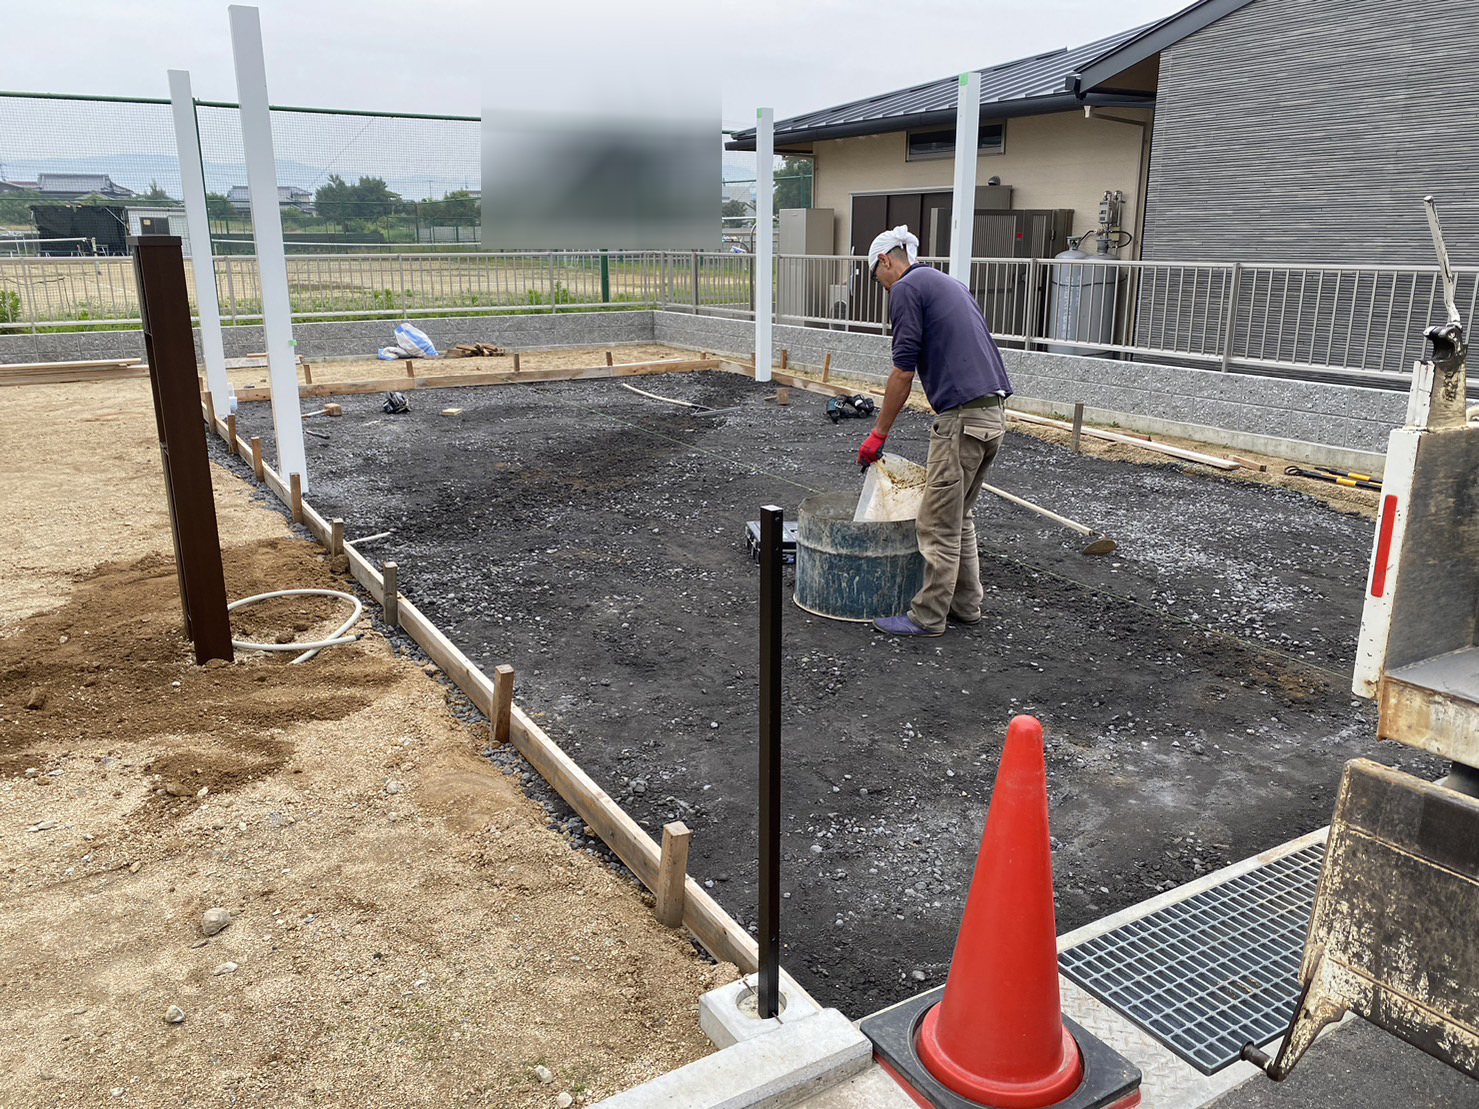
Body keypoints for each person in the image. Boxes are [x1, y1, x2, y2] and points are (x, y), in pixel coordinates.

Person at [858, 225, 1012, 637]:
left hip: (961, 419)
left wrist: (878, 434)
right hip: (993, 415)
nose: (884, 289)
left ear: (887, 261)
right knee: (959, 517)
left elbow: (903, 371)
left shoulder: (908, 288)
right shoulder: (949, 283)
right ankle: (967, 606)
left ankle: (927, 617)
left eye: (879, 278)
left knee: (936, 521)